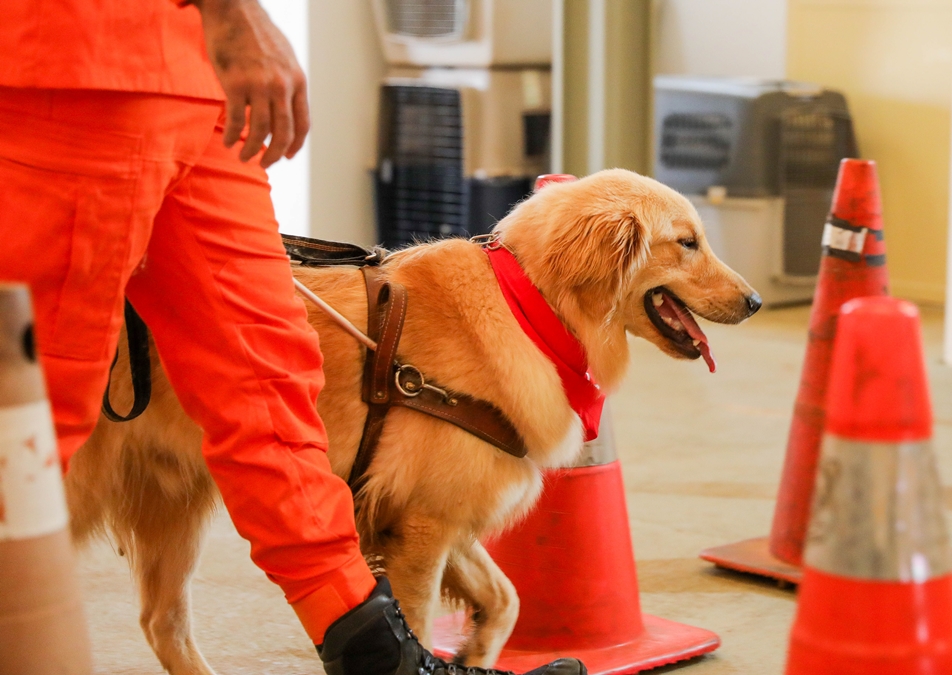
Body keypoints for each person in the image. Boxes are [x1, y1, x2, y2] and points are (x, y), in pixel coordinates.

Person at [0, 1, 582, 674]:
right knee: (40, 406)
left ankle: (377, 656)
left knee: (270, 382)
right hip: (86, 62)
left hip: (197, 80)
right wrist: (235, 15)